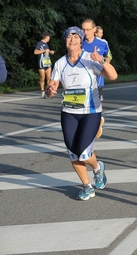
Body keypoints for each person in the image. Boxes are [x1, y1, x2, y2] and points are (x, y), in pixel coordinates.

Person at [45, 26, 118, 201]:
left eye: (76, 37)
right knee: (72, 151)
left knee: (83, 152)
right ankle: (87, 186)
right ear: (65, 41)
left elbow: (113, 76)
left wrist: (102, 60)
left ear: (81, 41)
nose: (72, 40)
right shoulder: (60, 63)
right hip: (69, 112)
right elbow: (52, 85)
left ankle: (98, 167)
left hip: (91, 112)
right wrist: (50, 90)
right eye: (69, 37)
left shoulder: (89, 58)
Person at [82, 19, 112, 101]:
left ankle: (100, 96)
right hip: (82, 75)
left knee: (95, 102)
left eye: (88, 30)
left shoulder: (103, 43)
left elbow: (109, 57)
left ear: (94, 29)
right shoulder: (79, 42)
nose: (85, 32)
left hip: (98, 73)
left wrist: (103, 63)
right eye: (83, 30)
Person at [34, 32, 55, 99]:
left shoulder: (46, 44)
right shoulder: (39, 43)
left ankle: (48, 92)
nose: (49, 39)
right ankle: (42, 92)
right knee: (42, 78)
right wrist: (43, 51)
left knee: (49, 78)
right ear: (46, 37)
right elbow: (35, 52)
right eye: (48, 37)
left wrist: (50, 51)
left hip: (48, 62)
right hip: (42, 63)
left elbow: (47, 51)